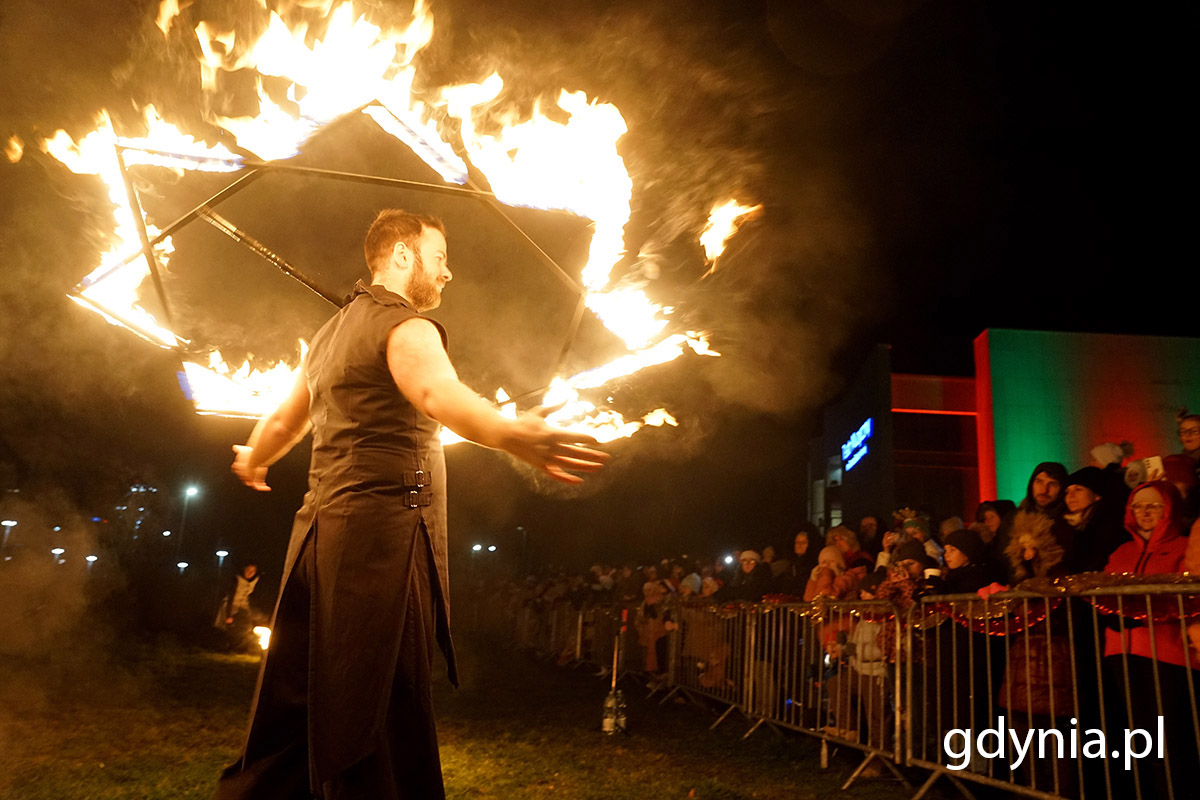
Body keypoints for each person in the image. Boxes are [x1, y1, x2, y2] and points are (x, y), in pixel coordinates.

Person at [216, 209, 609, 800]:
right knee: (377, 703)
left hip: (319, 539)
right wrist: (510, 434)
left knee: (304, 698)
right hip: (384, 544)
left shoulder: (327, 337)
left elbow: (281, 422)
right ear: (402, 255)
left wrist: (253, 456)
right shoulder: (408, 328)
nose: (448, 272)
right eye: (440, 256)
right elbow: (435, 392)